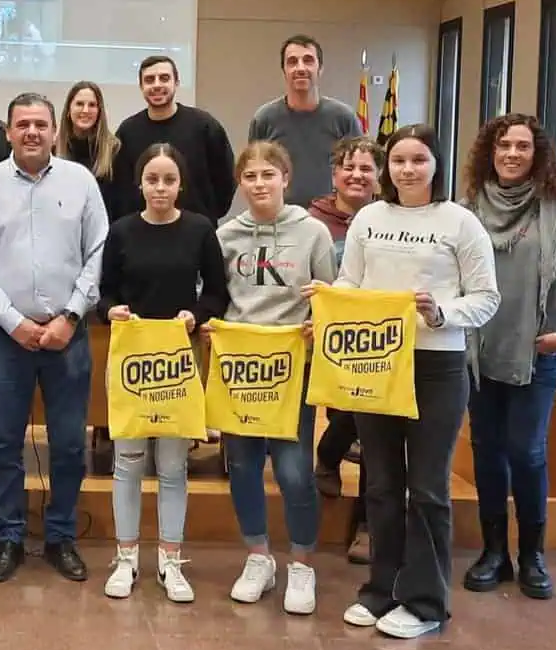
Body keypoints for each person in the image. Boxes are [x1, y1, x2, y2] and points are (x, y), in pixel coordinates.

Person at [325, 123, 500, 639]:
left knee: (427, 489)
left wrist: (441, 312)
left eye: (418, 160)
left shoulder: (460, 222)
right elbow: (350, 283)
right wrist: (330, 305)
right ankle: (381, 590)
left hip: (436, 367)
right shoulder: (368, 220)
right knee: (380, 484)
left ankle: (425, 603)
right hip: (375, 364)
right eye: (397, 160)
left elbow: (486, 298)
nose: (406, 169)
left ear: (435, 166)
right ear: (385, 169)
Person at [0, 93, 109, 584]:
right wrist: (11, 322)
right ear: (8, 132)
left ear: (54, 131)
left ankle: (61, 537)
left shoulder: (80, 181)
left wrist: (69, 315)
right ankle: (8, 537)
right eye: (22, 124)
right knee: (2, 443)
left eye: (40, 124)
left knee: (68, 444)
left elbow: (97, 253)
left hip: (69, 333)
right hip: (6, 337)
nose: (31, 132)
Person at [460, 114, 556, 601]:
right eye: (503, 145)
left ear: (537, 154)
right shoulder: (467, 208)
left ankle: (532, 554)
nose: (512, 154)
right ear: (489, 153)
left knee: (527, 451)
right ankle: (494, 552)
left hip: (538, 352)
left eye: (522, 146)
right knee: (487, 450)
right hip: (477, 351)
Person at [98, 143, 228, 603]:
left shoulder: (199, 230)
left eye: (168, 180)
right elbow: (104, 293)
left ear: (181, 185)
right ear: (139, 183)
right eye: (152, 179)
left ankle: (170, 561)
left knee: (173, 467)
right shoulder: (121, 231)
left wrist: (195, 315)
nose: (159, 187)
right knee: (127, 464)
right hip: (133, 360)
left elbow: (217, 294)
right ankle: (126, 557)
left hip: (178, 360)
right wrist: (112, 310)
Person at [215, 142, 336, 615]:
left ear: (285, 177)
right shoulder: (226, 236)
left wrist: (318, 320)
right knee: (242, 465)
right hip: (240, 367)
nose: (260, 183)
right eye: (250, 176)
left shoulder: (313, 233)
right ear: (240, 183)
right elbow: (214, 296)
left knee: (293, 470)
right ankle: (258, 557)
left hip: (291, 368)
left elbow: (332, 296)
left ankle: (302, 563)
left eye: (269, 174)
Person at [308, 135, 384, 564]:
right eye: (349, 168)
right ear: (335, 173)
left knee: (374, 429)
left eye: (367, 168)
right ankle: (329, 452)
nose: (357, 175)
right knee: (347, 417)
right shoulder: (313, 221)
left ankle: (368, 528)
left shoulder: (393, 218)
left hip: (379, 345)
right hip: (330, 342)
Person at [112, 55, 235, 223]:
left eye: (164, 78)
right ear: (141, 86)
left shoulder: (204, 126)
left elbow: (226, 177)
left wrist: (206, 215)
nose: (156, 85)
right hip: (142, 234)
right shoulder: (127, 131)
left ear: (176, 82)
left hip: (195, 233)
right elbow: (120, 189)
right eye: (149, 80)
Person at [247, 35, 361, 207]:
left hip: (332, 216)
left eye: (308, 60)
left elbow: (358, 168)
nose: (300, 68)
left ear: (320, 68)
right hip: (280, 216)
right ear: (284, 70)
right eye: (292, 62)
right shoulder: (264, 118)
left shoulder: (343, 117)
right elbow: (254, 171)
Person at [56, 81, 120, 220]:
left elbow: (119, 204)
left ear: (99, 111)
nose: (85, 110)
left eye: (92, 105)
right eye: (79, 104)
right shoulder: (53, 149)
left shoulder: (114, 150)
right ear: (68, 109)